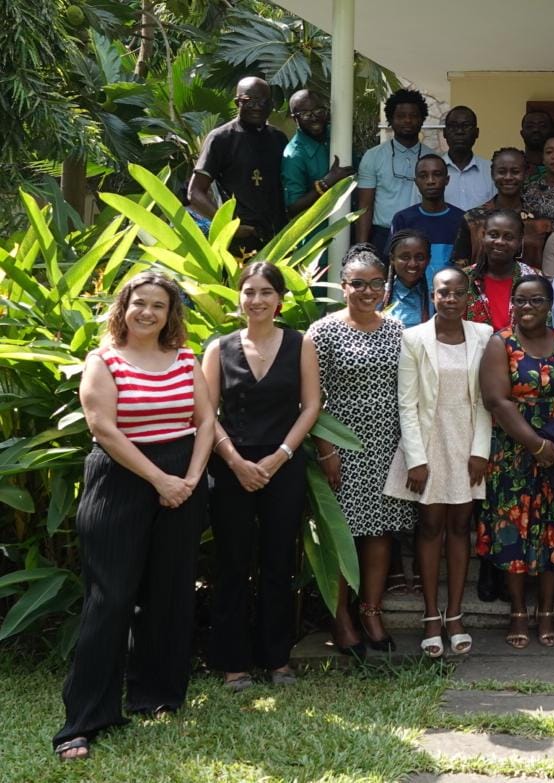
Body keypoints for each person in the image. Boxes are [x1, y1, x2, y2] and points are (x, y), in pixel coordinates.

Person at [53, 273, 214, 761]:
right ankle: (83, 721)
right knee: (111, 599)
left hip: (182, 478)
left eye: (159, 306)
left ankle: (156, 695)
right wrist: (160, 480)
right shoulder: (103, 360)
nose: (148, 312)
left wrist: (188, 478)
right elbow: (103, 427)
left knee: (169, 591)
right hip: (120, 480)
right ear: (123, 307)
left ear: (171, 314)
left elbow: (205, 421)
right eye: (139, 303)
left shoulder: (186, 358)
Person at [203, 262, 321, 690]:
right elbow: (206, 414)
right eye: (249, 292)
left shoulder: (300, 343)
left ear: (280, 300)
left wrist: (280, 456)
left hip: (283, 466)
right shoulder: (219, 348)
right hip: (230, 465)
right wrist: (234, 461)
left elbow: (310, 406)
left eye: (266, 292)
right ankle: (233, 663)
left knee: (277, 562)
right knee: (233, 563)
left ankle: (277, 660)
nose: (256, 300)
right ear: (238, 298)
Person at [308, 248, 419, 657]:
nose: (367, 291)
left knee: (380, 532)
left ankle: (371, 612)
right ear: (343, 287)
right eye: (358, 283)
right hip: (342, 447)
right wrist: (326, 450)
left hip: (387, 445)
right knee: (344, 535)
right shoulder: (322, 332)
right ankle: (341, 618)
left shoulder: (396, 330)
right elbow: (311, 399)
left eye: (375, 283)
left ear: (385, 287)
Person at [385, 267, 493, 657]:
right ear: (433, 295)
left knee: (461, 525)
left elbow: (486, 399)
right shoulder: (413, 338)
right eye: (443, 292)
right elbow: (407, 403)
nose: (450, 299)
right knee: (430, 525)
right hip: (429, 443)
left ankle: (456, 614)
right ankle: (431, 615)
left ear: (468, 297)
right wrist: (416, 458)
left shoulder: (483, 336)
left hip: (467, 441)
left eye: (458, 293)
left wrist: (480, 450)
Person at [477, 276, 554, 649]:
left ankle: (547, 610)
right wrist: (536, 445)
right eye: (520, 301)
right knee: (514, 531)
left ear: (550, 304)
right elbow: (497, 401)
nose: (526, 308)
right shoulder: (500, 342)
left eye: (536, 301)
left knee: (553, 528)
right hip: (513, 451)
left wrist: (552, 444)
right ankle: (519, 611)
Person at [189, 76, 287, 255]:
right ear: (237, 102)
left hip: (277, 239)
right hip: (237, 241)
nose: (257, 107)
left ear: (271, 104)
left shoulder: (278, 138)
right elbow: (195, 192)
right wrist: (230, 225)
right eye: (249, 101)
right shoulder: (221, 138)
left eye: (263, 101)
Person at [355, 88, 435, 251]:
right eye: (401, 116)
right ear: (391, 119)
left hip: (422, 233)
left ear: (422, 119)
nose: (407, 121)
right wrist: (361, 247)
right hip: (383, 235)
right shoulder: (373, 156)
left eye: (413, 116)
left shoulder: (432, 158)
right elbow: (365, 206)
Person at [451, 147, 553, 269]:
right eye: (502, 171)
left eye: (515, 171)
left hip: (531, 287)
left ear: (526, 174)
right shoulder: (473, 219)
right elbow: (460, 267)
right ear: (492, 173)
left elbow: (549, 268)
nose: (508, 177)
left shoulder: (542, 222)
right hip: (480, 286)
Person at [388, 154, 464, 287]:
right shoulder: (403, 219)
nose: (430, 181)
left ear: (447, 180)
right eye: (423, 176)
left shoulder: (462, 220)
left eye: (437, 174)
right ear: (416, 181)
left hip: (450, 297)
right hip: (412, 298)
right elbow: (392, 264)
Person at [462, 208, 544, 330]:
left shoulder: (535, 278)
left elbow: (544, 326)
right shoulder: (464, 279)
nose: (500, 242)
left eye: (508, 237)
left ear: (519, 241)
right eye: (494, 235)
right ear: (483, 236)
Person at [282, 89, 355, 219]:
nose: (314, 118)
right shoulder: (294, 155)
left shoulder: (339, 134)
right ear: (295, 119)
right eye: (305, 114)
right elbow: (292, 208)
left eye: (319, 112)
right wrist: (326, 183)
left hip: (350, 222)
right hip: (319, 232)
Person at [442, 106, 496, 211]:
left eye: (466, 126)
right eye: (453, 126)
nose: (459, 131)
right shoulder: (432, 173)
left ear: (477, 133)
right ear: (444, 132)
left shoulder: (492, 171)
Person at [383, 231, 432, 327]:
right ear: (392, 259)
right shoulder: (379, 296)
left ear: (428, 260)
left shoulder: (436, 297)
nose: (413, 264)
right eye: (405, 257)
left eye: (420, 257)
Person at [520, 109, 554, 180]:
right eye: (530, 126)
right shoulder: (515, 167)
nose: (536, 130)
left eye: (543, 126)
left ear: (551, 131)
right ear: (522, 133)